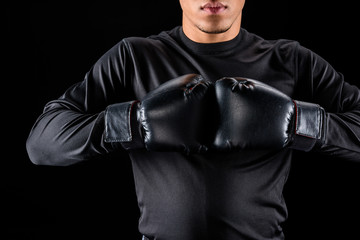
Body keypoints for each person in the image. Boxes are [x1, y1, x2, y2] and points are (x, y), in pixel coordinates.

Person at [26, 0, 360, 239]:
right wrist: (135, 122)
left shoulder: (291, 60)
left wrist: (297, 122)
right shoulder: (135, 56)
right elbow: (42, 144)